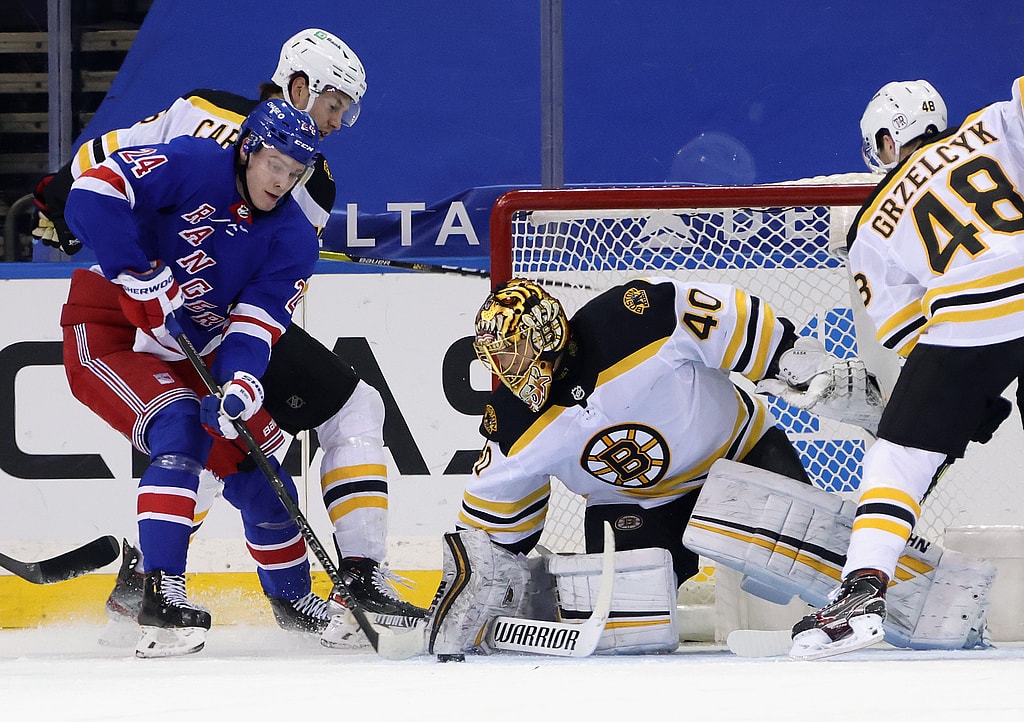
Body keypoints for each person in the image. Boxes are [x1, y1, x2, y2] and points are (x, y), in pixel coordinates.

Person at [39, 28, 424, 646]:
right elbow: (107, 179)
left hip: (210, 321)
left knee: (253, 449)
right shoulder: (275, 166)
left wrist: (51, 200)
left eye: (343, 115)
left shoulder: (216, 117)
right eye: (333, 106)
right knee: (232, 423)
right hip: (141, 299)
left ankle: (172, 576)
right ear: (300, 84)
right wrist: (128, 259)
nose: (335, 123)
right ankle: (349, 572)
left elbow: (261, 282)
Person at [426, 277, 884, 655]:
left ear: (547, 336)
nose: (505, 370)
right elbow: (491, 525)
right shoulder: (512, 421)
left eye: (512, 353)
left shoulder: (635, 317)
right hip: (631, 503)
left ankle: (875, 583)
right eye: (495, 358)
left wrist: (786, 355)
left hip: (739, 454)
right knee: (629, 628)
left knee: (807, 557)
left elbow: (724, 317)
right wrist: (472, 573)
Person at [60, 99, 322, 656]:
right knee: (178, 425)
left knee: (261, 467)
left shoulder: (294, 239)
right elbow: (89, 194)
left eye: (294, 173)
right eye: (275, 163)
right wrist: (136, 271)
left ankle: (297, 604)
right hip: (109, 328)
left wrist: (241, 386)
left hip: (187, 348)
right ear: (248, 148)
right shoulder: (193, 162)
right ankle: (159, 594)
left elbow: (255, 326)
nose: (282, 181)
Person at [790, 76, 1024, 659]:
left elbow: (906, 336)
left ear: (888, 142)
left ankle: (862, 591)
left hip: (968, 314)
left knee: (899, 456)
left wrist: (961, 398)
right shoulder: (992, 124)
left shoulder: (870, 224)